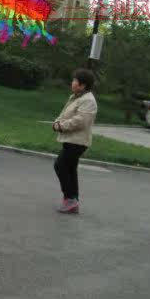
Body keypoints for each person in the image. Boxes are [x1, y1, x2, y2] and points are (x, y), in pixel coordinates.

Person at [52, 68, 98, 214]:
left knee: (60, 166)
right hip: (72, 140)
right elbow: (65, 113)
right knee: (70, 169)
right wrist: (57, 122)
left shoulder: (88, 101)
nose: (72, 83)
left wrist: (61, 126)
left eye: (75, 81)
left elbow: (81, 121)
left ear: (83, 85)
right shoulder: (76, 97)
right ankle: (72, 200)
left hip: (78, 142)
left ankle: (70, 199)